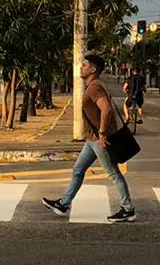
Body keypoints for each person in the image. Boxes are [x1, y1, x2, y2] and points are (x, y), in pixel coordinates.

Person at [43, 53, 135, 223]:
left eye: (84, 65)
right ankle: (63, 204)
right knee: (78, 170)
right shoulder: (94, 85)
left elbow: (106, 109)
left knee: (113, 173)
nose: (81, 67)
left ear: (93, 69)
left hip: (99, 139)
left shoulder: (95, 87)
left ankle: (128, 209)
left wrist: (101, 133)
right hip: (91, 139)